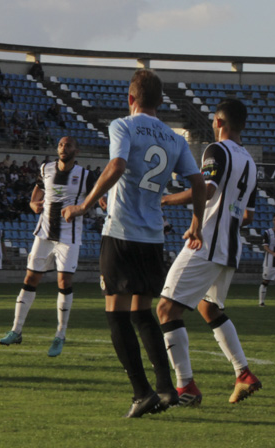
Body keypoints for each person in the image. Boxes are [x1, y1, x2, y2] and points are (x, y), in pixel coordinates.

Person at [63, 70, 205, 418]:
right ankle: (166, 389)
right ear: (159, 101)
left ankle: (142, 393)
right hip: (153, 237)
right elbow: (199, 182)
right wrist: (197, 224)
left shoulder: (123, 126)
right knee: (142, 313)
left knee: (116, 313)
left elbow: (118, 164)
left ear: (131, 99)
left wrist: (84, 203)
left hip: (123, 232)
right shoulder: (175, 138)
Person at [157, 99, 261, 407]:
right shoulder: (251, 162)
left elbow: (208, 190)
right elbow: (248, 216)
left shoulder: (217, 151)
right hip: (230, 246)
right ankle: (243, 374)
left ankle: (186, 386)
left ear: (218, 121)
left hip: (207, 244)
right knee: (208, 308)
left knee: (165, 309)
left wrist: (165, 200)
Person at [0, 136, 95, 357]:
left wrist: (82, 208)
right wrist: (33, 203)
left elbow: (95, 196)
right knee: (30, 279)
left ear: (76, 151)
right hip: (43, 234)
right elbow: (38, 191)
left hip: (69, 235)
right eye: (61, 145)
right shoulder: (46, 168)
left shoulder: (86, 176)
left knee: (64, 280)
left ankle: (60, 334)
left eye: (68, 145)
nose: (63, 148)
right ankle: (16, 330)